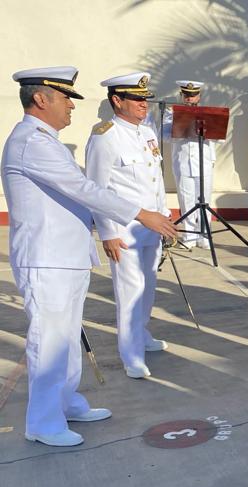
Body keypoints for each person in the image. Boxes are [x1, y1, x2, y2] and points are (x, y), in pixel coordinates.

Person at [2, 66, 176, 447]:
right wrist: (141, 213)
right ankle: (43, 423)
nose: (71, 106)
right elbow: (84, 188)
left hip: (65, 256)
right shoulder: (32, 142)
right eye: (66, 98)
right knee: (49, 341)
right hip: (46, 258)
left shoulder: (46, 141)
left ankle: (66, 403)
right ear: (41, 99)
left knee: (66, 339)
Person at [86, 72, 170, 379]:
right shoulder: (104, 136)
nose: (143, 104)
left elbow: (156, 179)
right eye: (136, 99)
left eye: (145, 99)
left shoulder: (146, 132)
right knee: (130, 291)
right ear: (117, 101)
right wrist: (107, 233)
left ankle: (142, 334)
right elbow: (96, 189)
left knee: (148, 285)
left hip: (152, 226)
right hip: (123, 228)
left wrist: (164, 215)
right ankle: (131, 354)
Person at [163, 80, 215, 248]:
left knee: (205, 199)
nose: (189, 98)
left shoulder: (208, 113)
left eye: (193, 95)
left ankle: (204, 235)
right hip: (183, 161)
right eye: (186, 95)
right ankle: (189, 236)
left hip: (204, 161)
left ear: (199, 96)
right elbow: (164, 136)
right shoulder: (171, 113)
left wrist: (206, 132)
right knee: (186, 200)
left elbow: (218, 137)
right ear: (181, 95)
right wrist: (181, 130)